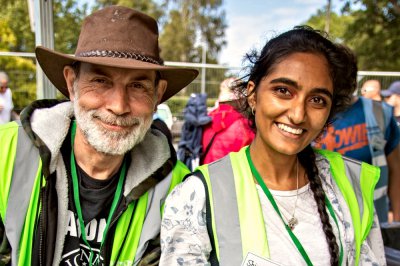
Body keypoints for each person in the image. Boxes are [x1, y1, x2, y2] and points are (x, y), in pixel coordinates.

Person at [160, 26, 385, 265]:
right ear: (252, 95)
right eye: (283, 91)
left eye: (317, 100)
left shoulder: (350, 185)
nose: (298, 115)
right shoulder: (199, 195)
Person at [0, 6, 198, 265]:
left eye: (138, 86)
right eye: (101, 81)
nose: (119, 105)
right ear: (72, 84)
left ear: (158, 95)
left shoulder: (181, 189)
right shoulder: (6, 151)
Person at [315, 92, 400, 223]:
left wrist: (397, 221)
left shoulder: (379, 112)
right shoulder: (309, 110)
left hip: (372, 222)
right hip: (321, 220)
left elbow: (396, 169)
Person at [201, 77, 255, 164]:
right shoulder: (244, 125)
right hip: (230, 175)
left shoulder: (208, 118)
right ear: (240, 100)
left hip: (206, 173)